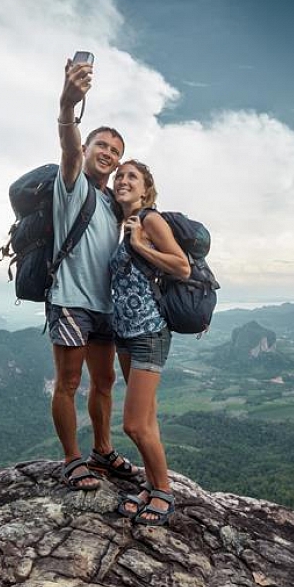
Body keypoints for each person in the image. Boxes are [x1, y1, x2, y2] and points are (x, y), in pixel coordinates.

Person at [50, 57, 139, 490]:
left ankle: (103, 451)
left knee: (103, 383)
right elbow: (67, 144)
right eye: (102, 146)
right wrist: (69, 105)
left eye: (116, 152)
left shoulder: (111, 204)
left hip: (105, 306)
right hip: (70, 299)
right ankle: (71, 459)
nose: (108, 154)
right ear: (88, 150)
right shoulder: (73, 184)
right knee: (68, 382)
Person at [110, 160, 191, 525]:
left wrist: (140, 245)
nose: (123, 180)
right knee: (148, 419)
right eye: (120, 176)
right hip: (124, 334)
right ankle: (152, 483)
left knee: (133, 425)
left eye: (132, 177)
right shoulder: (118, 224)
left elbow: (181, 266)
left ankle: (164, 492)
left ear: (145, 190)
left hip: (149, 333)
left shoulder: (150, 219)